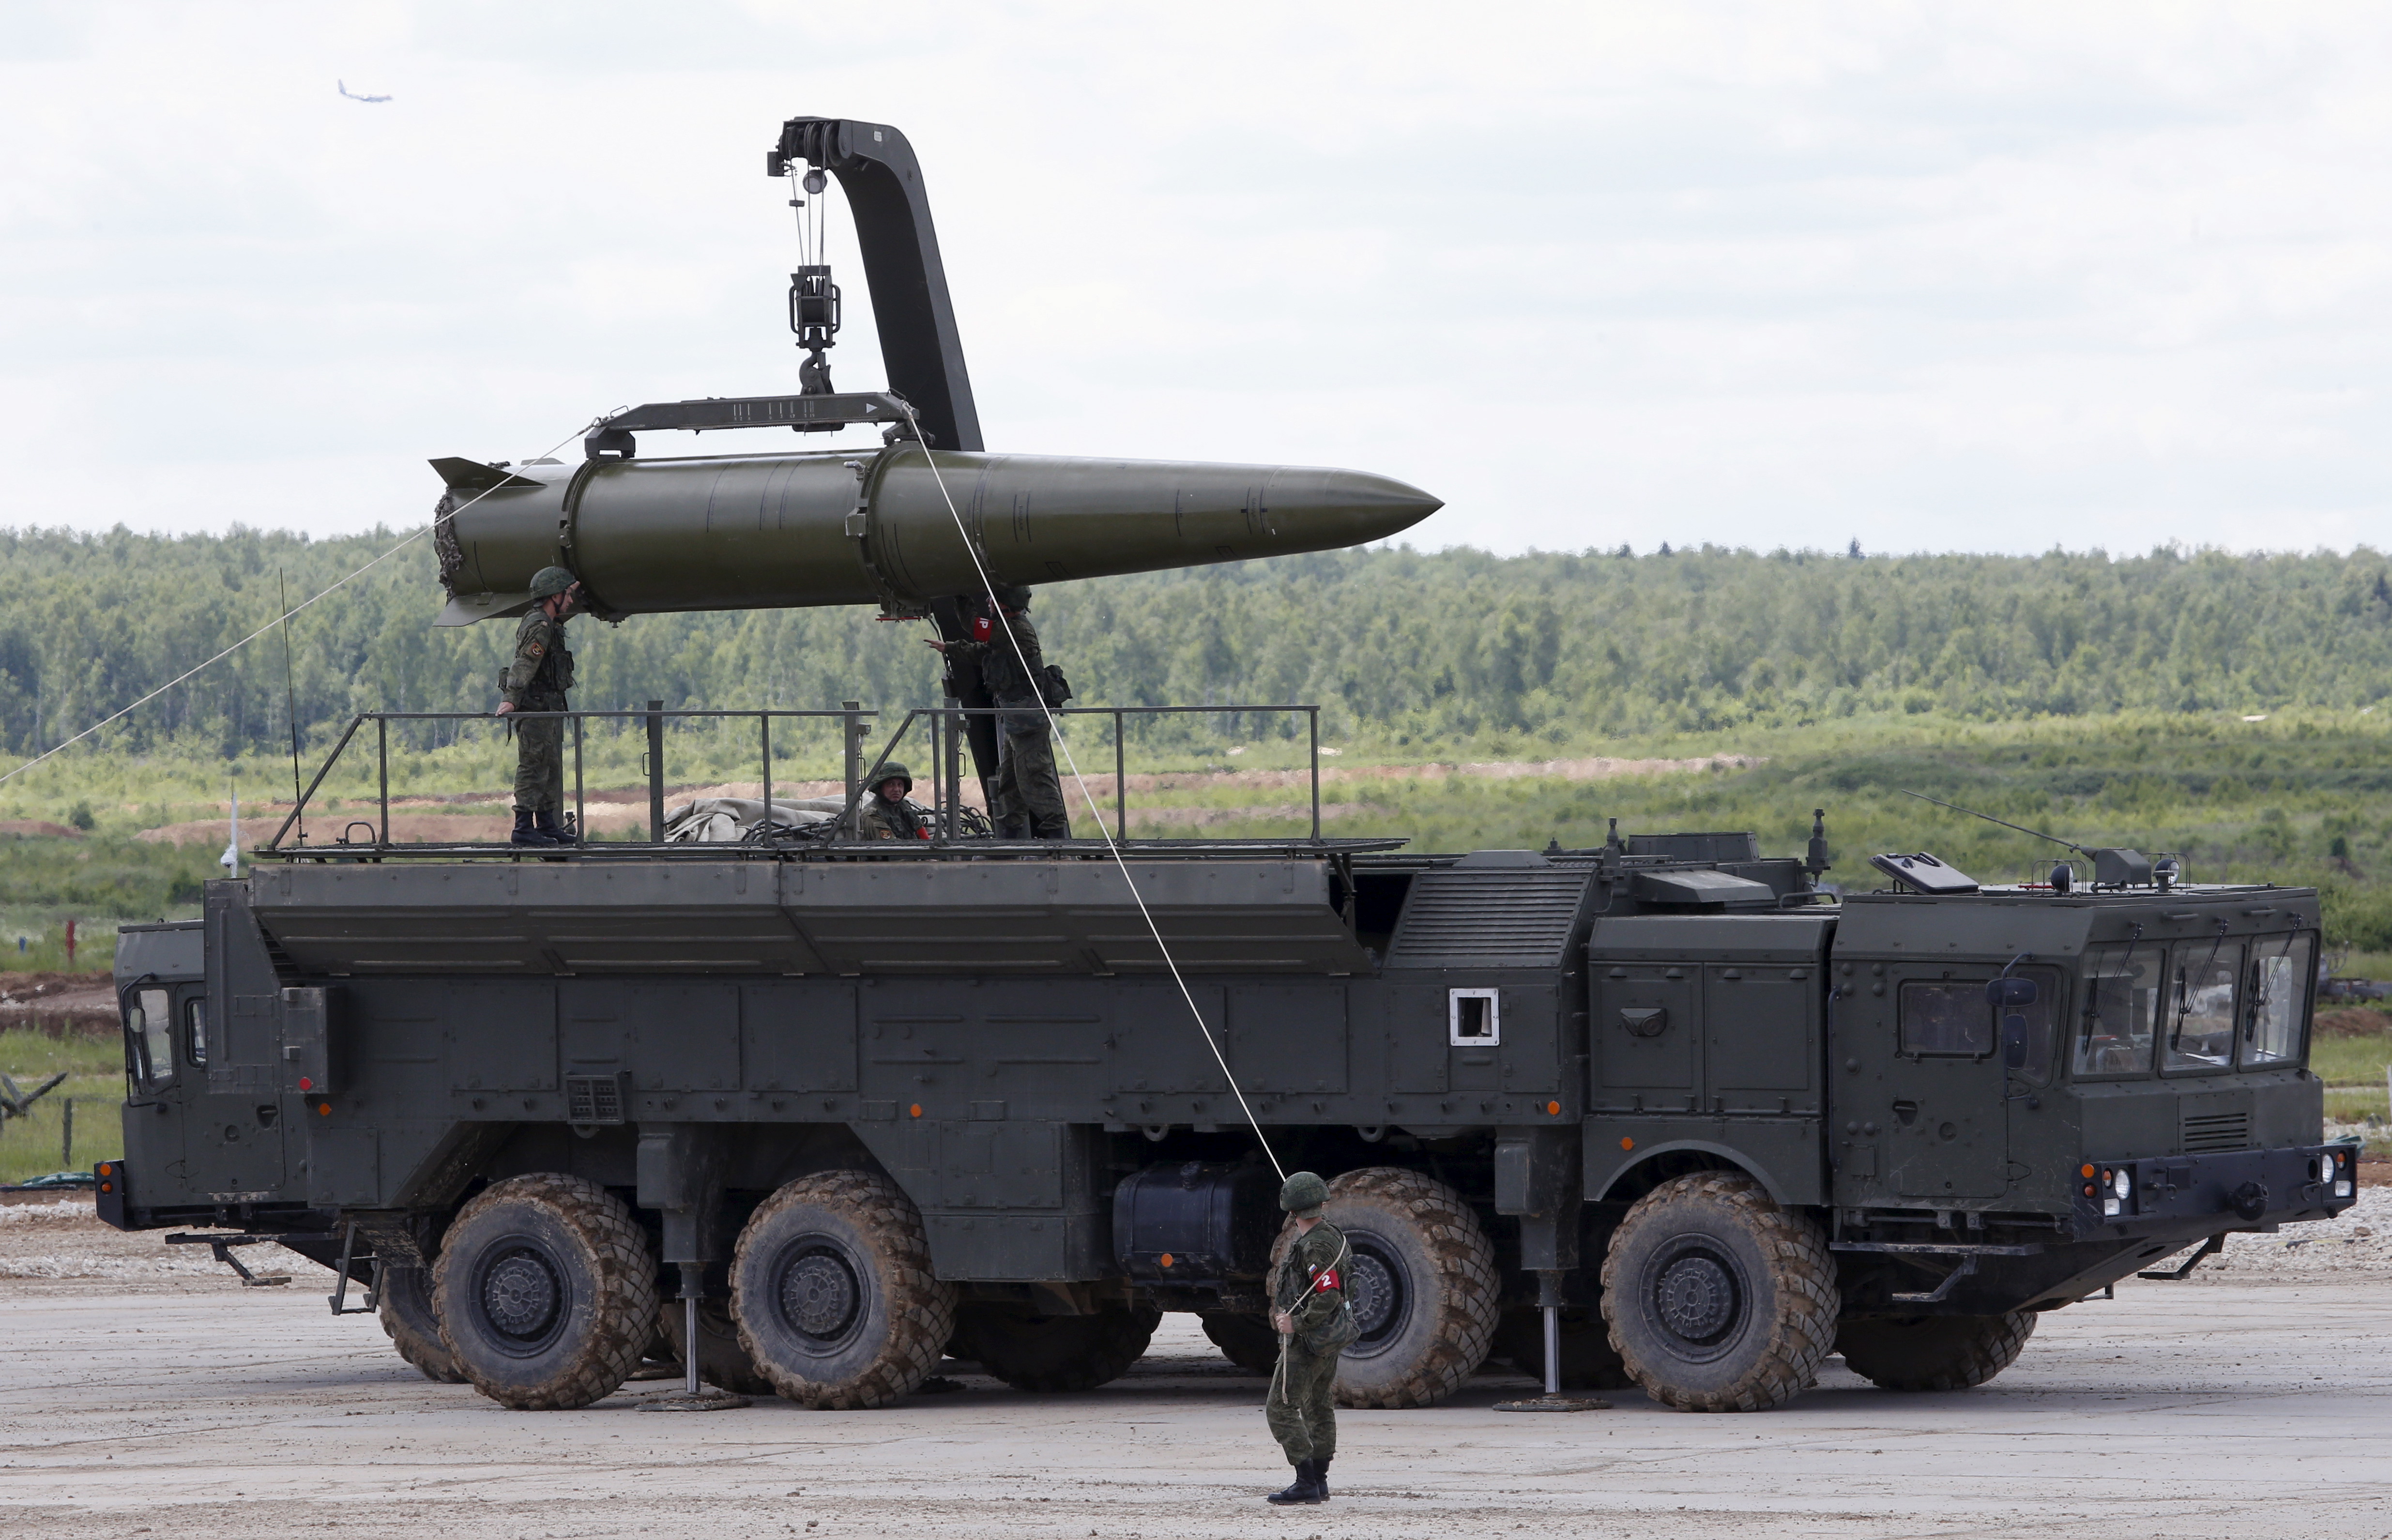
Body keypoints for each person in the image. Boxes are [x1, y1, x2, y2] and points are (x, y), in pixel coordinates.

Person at [926, 586, 1069, 839]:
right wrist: (949, 648)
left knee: (1034, 777)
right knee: (1010, 783)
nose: (989, 604)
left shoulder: (1013, 630)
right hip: (1016, 718)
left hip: (1026, 720)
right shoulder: (1005, 634)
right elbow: (981, 653)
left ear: (1003, 605)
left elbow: (974, 626)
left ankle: (1059, 843)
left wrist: (959, 592)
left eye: (992, 600)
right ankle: (1010, 840)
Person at [1263, 1170, 1351, 1506]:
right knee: (1317, 1404)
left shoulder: (1314, 1244)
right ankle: (1319, 1481)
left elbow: (1327, 1294)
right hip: (1328, 1337)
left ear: (1291, 1211)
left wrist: (1295, 1322)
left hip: (1308, 1339)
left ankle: (1306, 1482)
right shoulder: (1333, 1235)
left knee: (1280, 1408)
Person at [494, 565, 583, 846]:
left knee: (550, 766)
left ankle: (546, 824)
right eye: (567, 594)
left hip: (548, 710)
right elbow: (526, 662)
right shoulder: (541, 626)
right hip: (535, 710)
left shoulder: (548, 623)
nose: (570, 600)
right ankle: (523, 828)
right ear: (554, 595)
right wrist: (511, 698)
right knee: (533, 766)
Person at [859, 763, 929, 840]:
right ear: (880, 787)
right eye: (891, 784)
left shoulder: (904, 806)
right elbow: (892, 846)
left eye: (900, 785)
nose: (897, 789)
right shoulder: (871, 814)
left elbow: (924, 836)